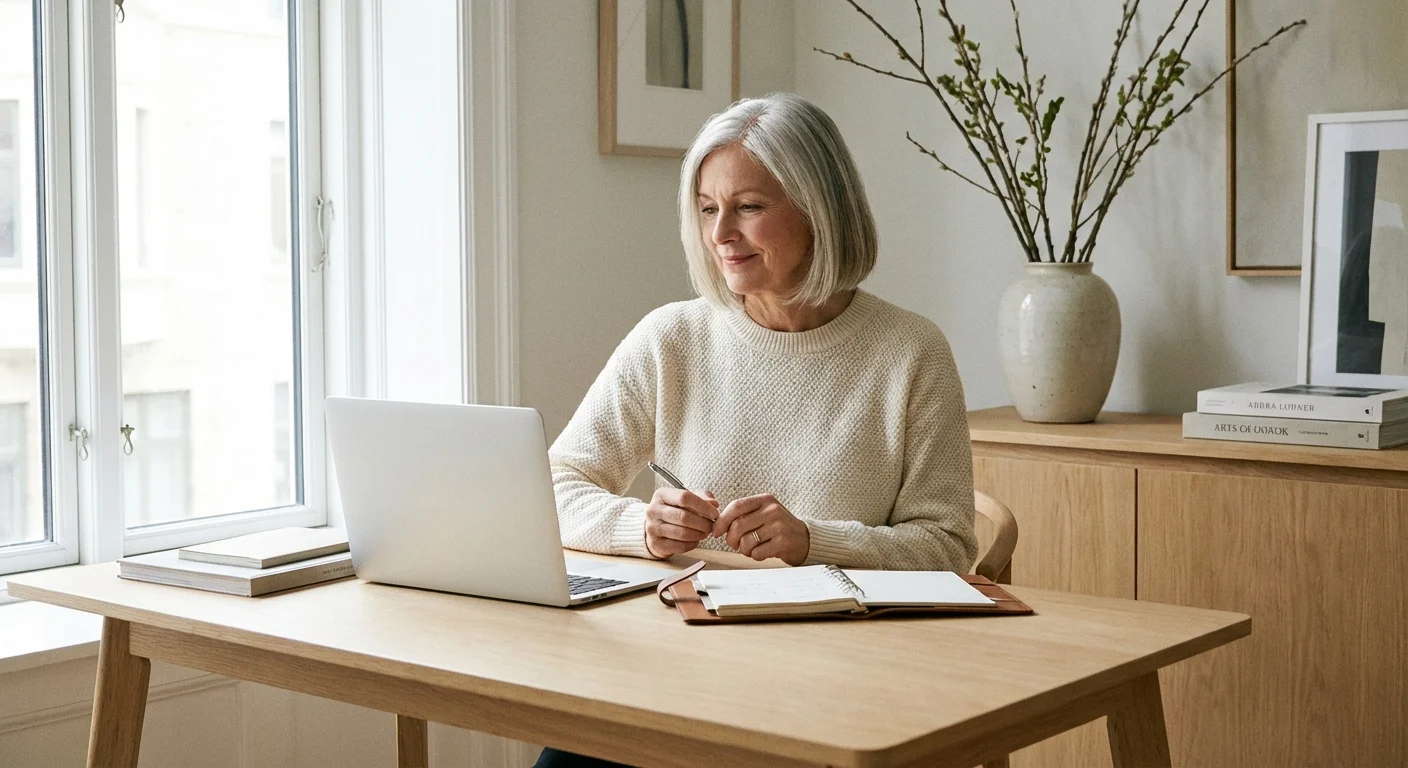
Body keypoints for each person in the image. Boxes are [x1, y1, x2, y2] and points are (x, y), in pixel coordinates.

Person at [535, 94, 976, 766]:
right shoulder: (672, 339)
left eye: (748, 207)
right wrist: (642, 528)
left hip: (838, 685)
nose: (720, 235)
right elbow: (557, 481)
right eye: (708, 209)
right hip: (679, 668)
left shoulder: (910, 351)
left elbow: (948, 548)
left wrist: (813, 540)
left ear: (818, 208)